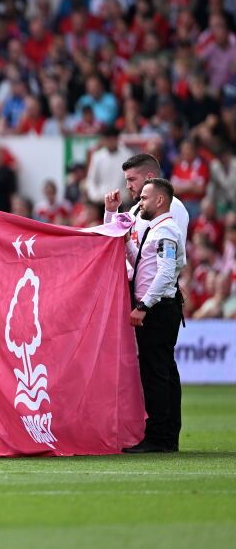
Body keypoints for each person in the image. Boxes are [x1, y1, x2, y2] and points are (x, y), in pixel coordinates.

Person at [123, 178, 185, 454]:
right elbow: (142, 262)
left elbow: (165, 272)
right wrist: (126, 242)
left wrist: (144, 305)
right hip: (159, 308)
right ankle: (166, 435)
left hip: (158, 311)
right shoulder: (158, 230)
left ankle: (159, 437)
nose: (140, 203)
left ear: (160, 200)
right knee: (163, 372)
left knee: (155, 373)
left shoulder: (167, 230)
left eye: (145, 198)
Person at [104, 153, 190, 269]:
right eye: (127, 180)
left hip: (156, 284)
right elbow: (113, 242)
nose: (128, 186)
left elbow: (174, 261)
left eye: (132, 179)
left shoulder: (173, 206)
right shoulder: (134, 210)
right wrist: (111, 211)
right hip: (134, 283)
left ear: (149, 178)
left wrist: (155, 287)